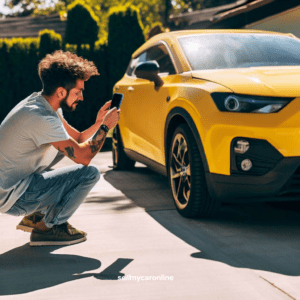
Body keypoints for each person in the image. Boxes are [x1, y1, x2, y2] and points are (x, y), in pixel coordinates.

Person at [0, 50, 120, 246]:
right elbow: (83, 157)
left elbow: (79, 138)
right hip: (13, 197)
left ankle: (36, 217)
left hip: (13, 187)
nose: (81, 97)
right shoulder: (43, 119)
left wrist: (99, 122)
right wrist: (106, 128)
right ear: (61, 92)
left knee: (56, 156)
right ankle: (49, 227)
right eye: (78, 92)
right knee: (89, 173)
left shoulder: (41, 104)